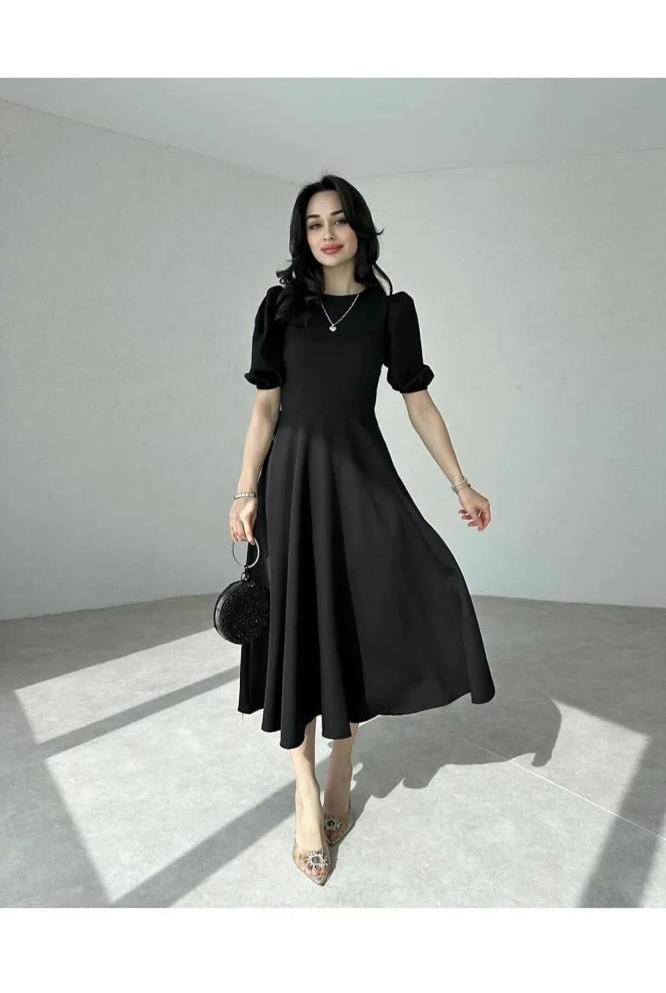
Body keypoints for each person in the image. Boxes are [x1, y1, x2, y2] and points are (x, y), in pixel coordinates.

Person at [229, 174, 495, 886]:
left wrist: (461, 484)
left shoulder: (389, 310)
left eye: (339, 219)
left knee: (367, 606)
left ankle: (342, 756)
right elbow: (265, 409)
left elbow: (418, 402)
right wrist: (245, 490)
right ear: (303, 235)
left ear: (359, 228)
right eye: (314, 222)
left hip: (360, 474)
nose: (327, 233)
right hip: (291, 483)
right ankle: (305, 789)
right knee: (294, 627)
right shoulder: (280, 308)